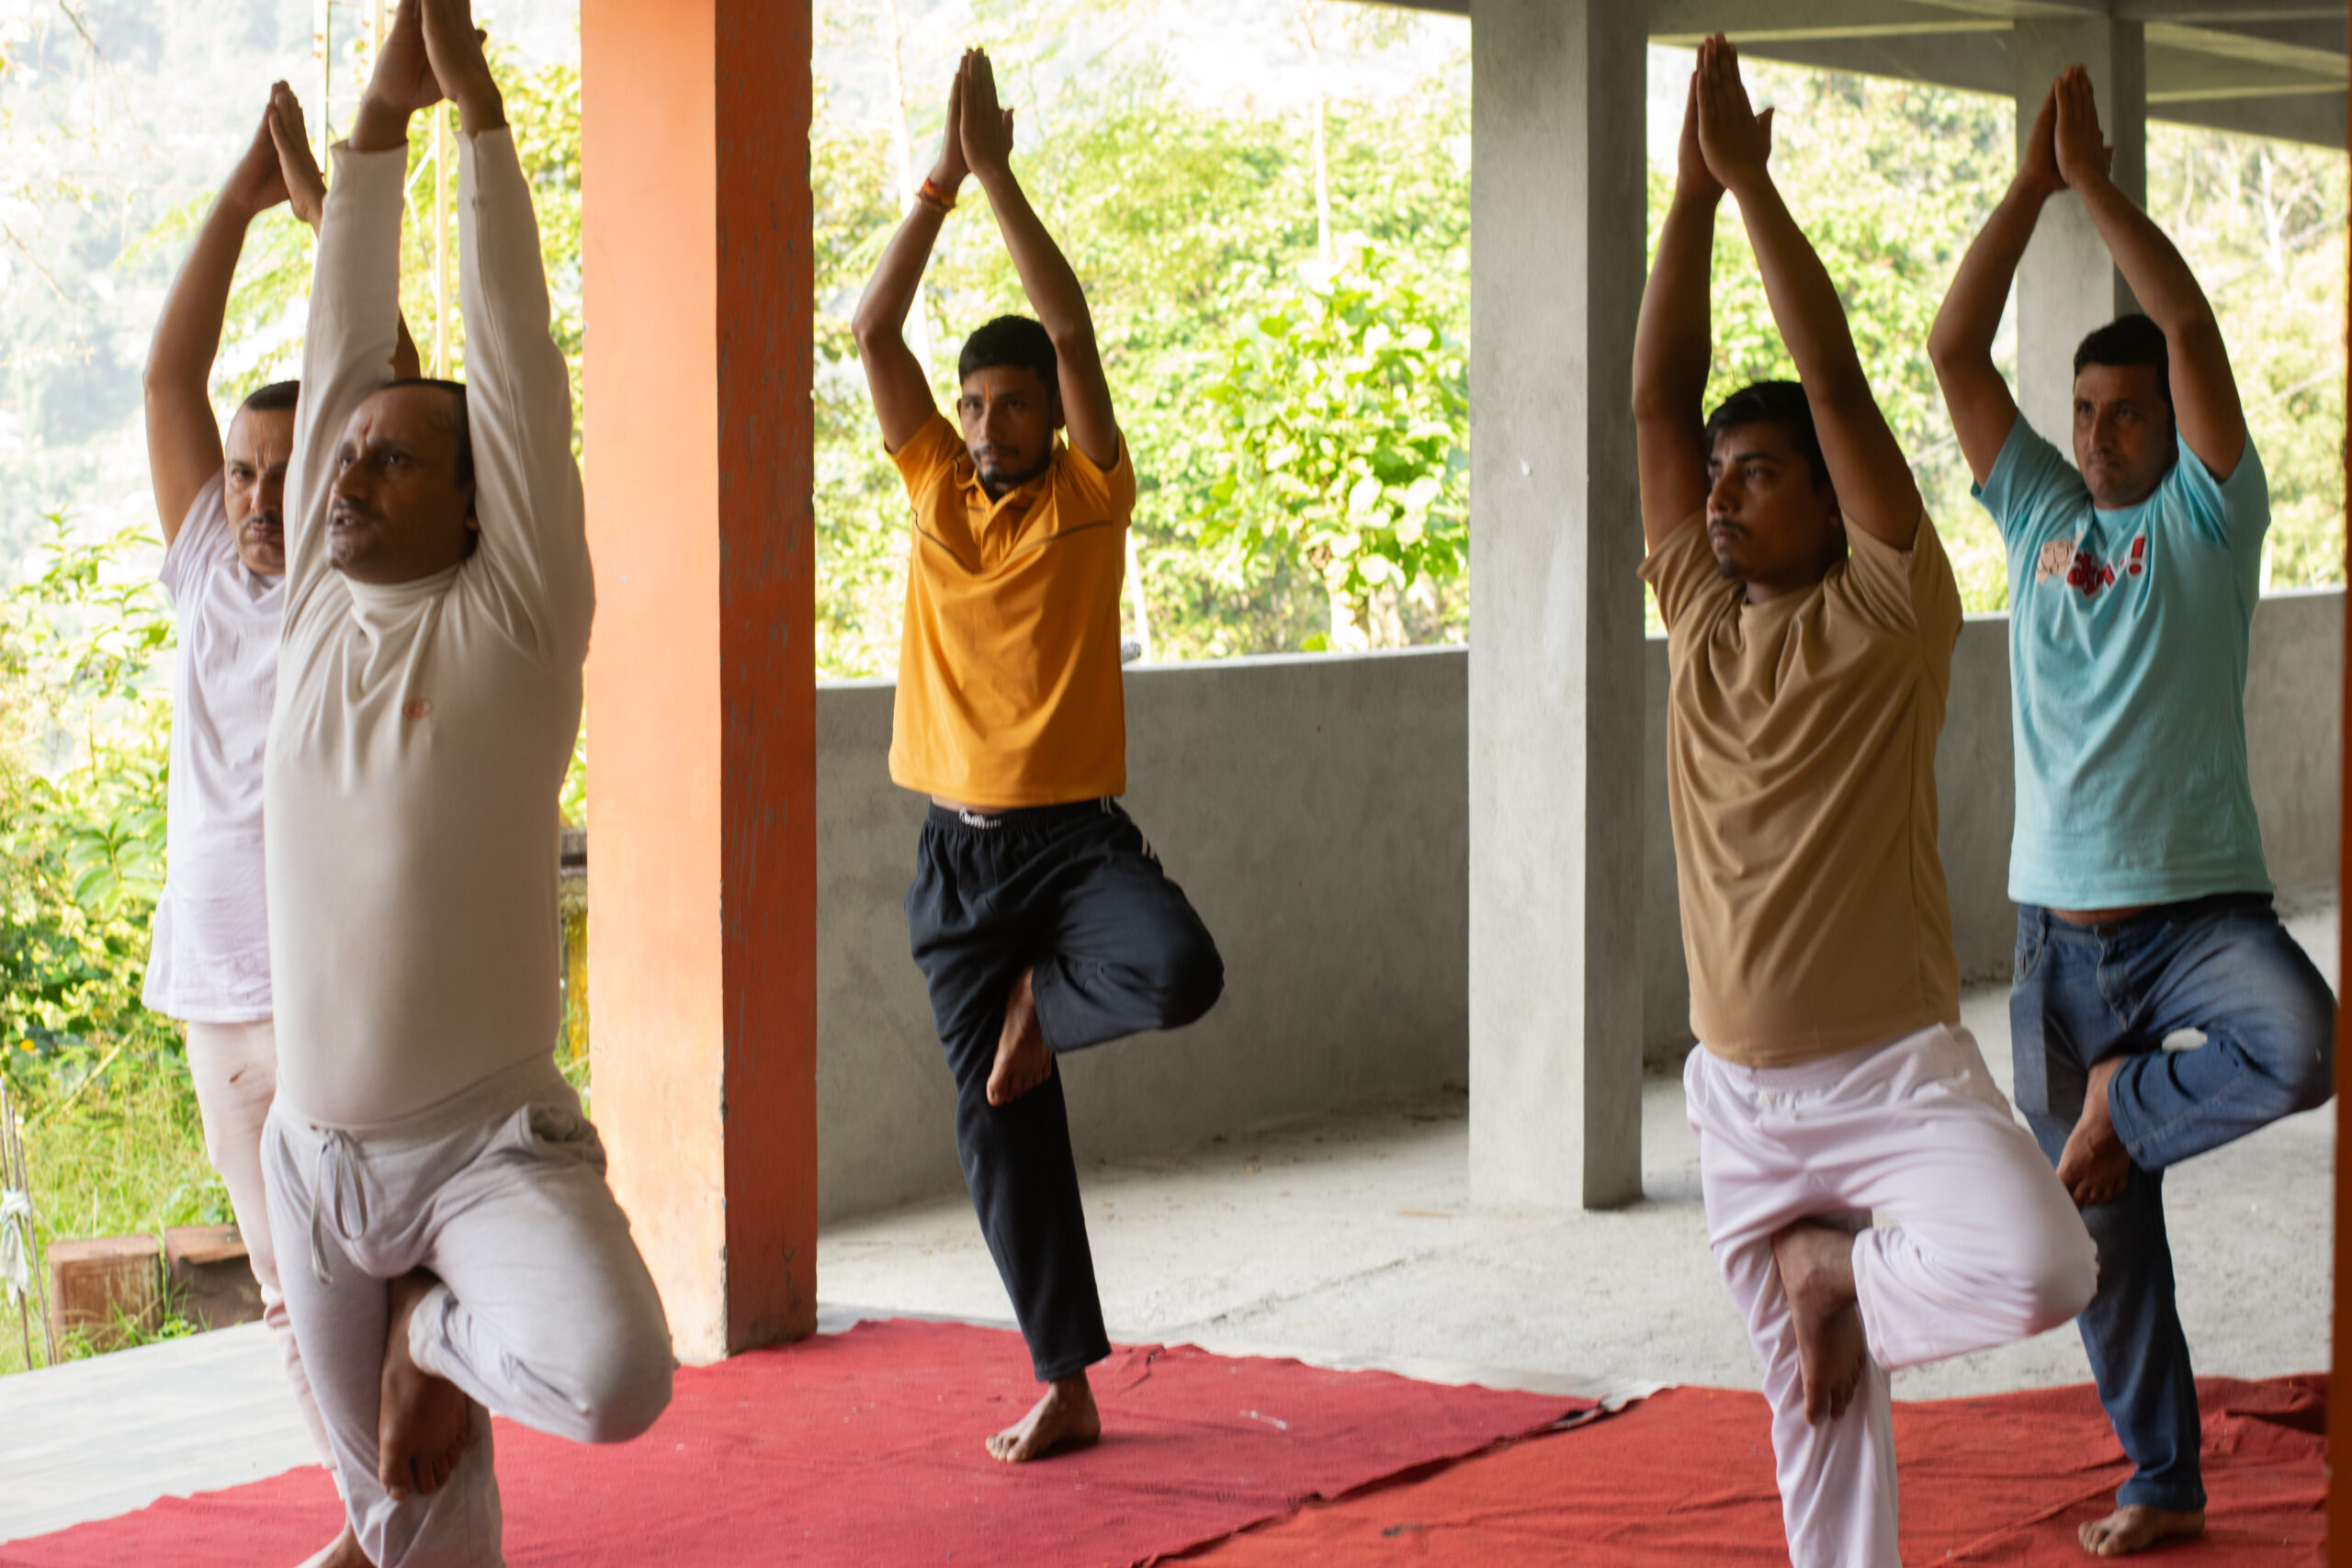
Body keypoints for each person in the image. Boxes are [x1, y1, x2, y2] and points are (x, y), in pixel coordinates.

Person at [1635, 39, 2098, 1567]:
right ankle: (1824, 1302)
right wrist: (1684, 198)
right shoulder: (1702, 617)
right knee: (1817, 1429)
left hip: (1894, 1077)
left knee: (2044, 1266)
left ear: (1837, 501)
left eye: (1759, 474)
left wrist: (1752, 188)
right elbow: (1654, 401)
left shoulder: (1893, 609)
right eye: (1717, 475)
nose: (1718, 495)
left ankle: (1838, 1274)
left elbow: (1832, 381)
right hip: (1739, 1099)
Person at [258, 3, 673, 1562]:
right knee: (407, 1520)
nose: (347, 473)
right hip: (313, 1167)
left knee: (614, 1375)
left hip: (482, 1149)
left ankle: (438, 1335)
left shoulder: (515, 620)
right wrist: (377, 111)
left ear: (474, 503)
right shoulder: (315, 604)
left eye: (393, 458)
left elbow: (511, 364)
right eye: (346, 452)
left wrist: (479, 113)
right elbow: (341, 329)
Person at [1928, 66, 2335, 1561]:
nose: (2098, 436)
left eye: (2126, 414)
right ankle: (2161, 1479)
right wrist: (2027, 185)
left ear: (2173, 424)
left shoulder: (2209, 520)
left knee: (2305, 1045)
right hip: (2057, 942)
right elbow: (1952, 348)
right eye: (2084, 413)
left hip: (2199, 920)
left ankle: (2124, 1109)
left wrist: (2096, 186)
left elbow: (2194, 331)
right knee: (2105, 1232)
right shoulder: (2039, 515)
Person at [850, 47, 1225, 1464]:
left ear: (1055, 415)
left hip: (1072, 846)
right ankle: (1064, 1381)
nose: (991, 423)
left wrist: (1000, 172)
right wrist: (937, 182)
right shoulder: (936, 488)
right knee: (999, 1134)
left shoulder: (1089, 492)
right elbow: (871, 332)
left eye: (1014, 403)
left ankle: (1040, 1010)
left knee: (1178, 969)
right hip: (956, 861)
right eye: (976, 404)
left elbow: (1070, 325)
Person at [141, 81, 418, 1568]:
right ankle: (372, 1521)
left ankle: (420, 1492)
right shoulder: (206, 567)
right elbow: (167, 376)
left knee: (377, 1263)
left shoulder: (350, 592)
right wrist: (233, 204)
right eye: (241, 474)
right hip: (216, 992)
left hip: (327, 989)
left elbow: (406, 390)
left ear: (334, 485)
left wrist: (326, 219)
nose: (252, 496)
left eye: (281, 477)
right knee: (278, 1285)